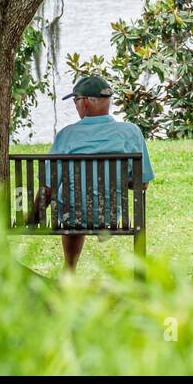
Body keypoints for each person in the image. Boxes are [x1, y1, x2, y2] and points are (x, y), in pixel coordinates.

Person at [45, 75, 154, 271]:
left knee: (73, 199)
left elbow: (49, 184)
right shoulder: (130, 132)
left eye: (75, 101)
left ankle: (69, 268)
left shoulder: (67, 135)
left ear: (85, 102)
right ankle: (102, 224)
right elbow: (142, 184)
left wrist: (34, 214)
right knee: (88, 198)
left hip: (73, 214)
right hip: (111, 213)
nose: (76, 106)